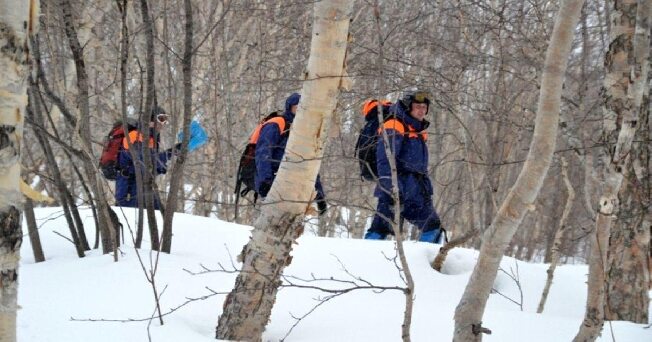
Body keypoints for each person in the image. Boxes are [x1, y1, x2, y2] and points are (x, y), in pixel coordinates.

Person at [364, 91, 443, 243]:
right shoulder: (394, 125)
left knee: (433, 227)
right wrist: (391, 186)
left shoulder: (417, 129)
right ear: (408, 108)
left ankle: (422, 263)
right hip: (395, 187)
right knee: (380, 228)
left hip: (416, 190)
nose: (421, 110)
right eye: (417, 106)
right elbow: (385, 159)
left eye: (424, 107)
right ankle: (363, 257)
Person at [254, 93, 327, 214]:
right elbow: (263, 153)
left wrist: (319, 195)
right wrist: (266, 181)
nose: (299, 112)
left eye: (302, 108)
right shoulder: (277, 124)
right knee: (272, 221)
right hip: (273, 181)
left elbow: (310, 166)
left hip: (294, 186)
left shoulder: (305, 132)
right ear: (289, 108)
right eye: (296, 108)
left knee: (289, 225)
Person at [115, 106, 178, 209]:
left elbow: (150, 163)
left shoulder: (152, 138)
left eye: (165, 120)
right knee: (130, 215)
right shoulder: (134, 135)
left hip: (143, 183)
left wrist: (159, 168)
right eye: (161, 119)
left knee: (158, 214)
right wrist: (171, 152)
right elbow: (145, 160)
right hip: (128, 186)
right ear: (151, 119)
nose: (163, 124)